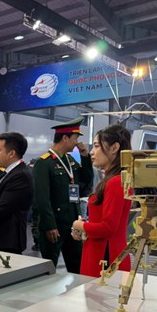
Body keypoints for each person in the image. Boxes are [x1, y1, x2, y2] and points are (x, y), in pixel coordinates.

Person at [33, 116, 93, 273]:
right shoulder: (44, 163)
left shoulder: (70, 160)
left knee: (77, 266)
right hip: (54, 225)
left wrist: (85, 157)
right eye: (75, 138)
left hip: (72, 224)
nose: (77, 142)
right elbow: (42, 198)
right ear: (65, 138)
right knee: (49, 269)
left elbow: (87, 179)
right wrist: (50, 225)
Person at [71, 125, 133, 277]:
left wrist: (79, 225)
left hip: (105, 258)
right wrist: (86, 226)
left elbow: (108, 227)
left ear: (114, 148)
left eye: (97, 146)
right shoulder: (114, 180)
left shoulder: (115, 182)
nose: (92, 152)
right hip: (104, 253)